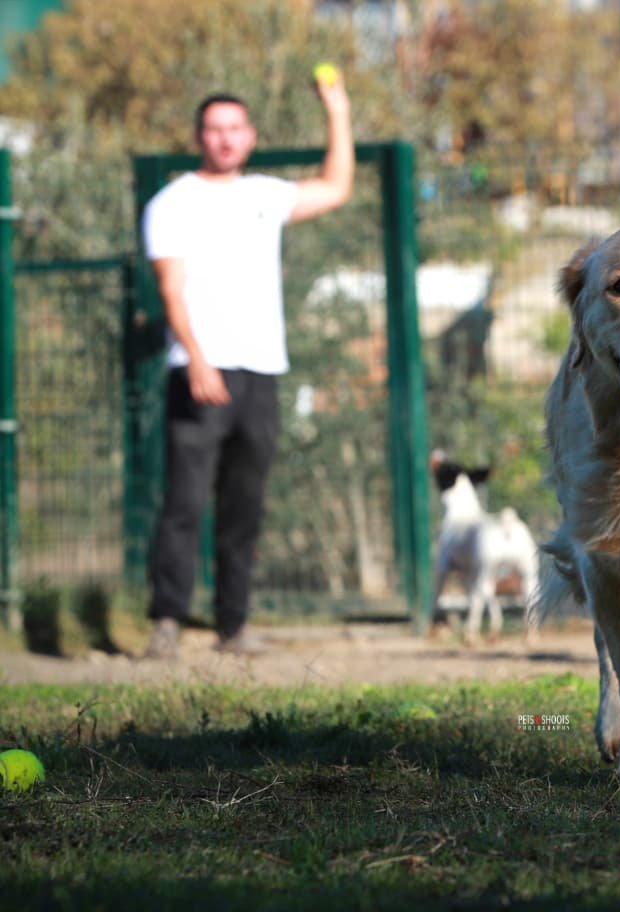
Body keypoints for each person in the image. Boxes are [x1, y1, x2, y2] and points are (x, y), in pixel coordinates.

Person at [141, 73, 354, 659]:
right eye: (215, 128)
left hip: (261, 374)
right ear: (199, 137)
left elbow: (336, 187)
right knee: (185, 505)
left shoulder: (263, 194)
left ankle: (232, 627)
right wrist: (198, 359)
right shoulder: (171, 202)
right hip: (199, 371)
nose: (226, 138)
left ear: (251, 136)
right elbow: (171, 290)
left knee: (244, 506)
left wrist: (336, 108)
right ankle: (166, 622)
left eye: (235, 128)